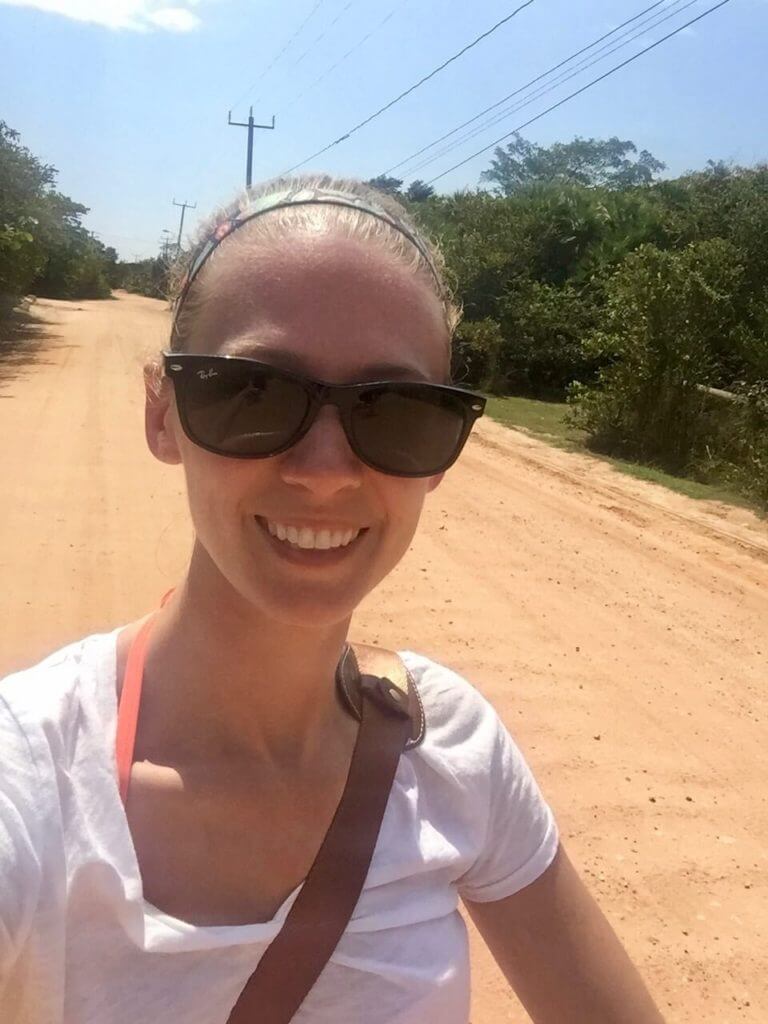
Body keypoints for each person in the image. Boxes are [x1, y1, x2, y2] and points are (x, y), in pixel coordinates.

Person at [0, 176, 665, 1023]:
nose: (324, 471)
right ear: (163, 413)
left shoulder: (450, 749)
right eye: (253, 392)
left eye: (398, 411)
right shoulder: (30, 777)